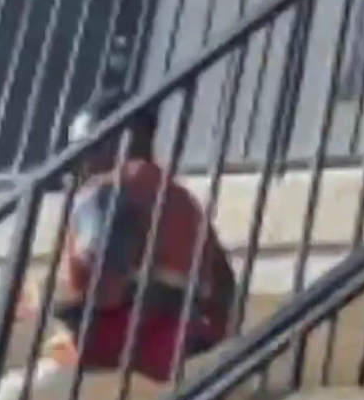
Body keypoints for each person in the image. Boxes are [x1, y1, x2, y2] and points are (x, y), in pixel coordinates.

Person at [20, 90, 237, 383]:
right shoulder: (182, 200)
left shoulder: (106, 191)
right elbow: (224, 288)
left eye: (84, 145)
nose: (77, 160)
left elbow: (105, 288)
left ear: (120, 137)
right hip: (185, 350)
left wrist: (49, 300)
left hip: (126, 356)